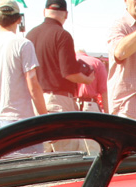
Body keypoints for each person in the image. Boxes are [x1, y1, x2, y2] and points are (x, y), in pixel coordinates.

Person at [26, 0, 94, 153]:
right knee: (68, 155)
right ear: (66, 14)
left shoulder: (30, 35)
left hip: (35, 102)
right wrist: (87, 79)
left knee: (41, 156)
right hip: (58, 102)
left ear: (44, 12)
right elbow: (69, 73)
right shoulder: (62, 35)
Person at [0, 0, 47, 138]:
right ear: (19, 19)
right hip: (23, 118)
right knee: (33, 159)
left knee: (10, 159)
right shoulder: (24, 44)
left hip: (0, 118)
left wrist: (0, 102)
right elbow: (32, 84)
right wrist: (45, 118)